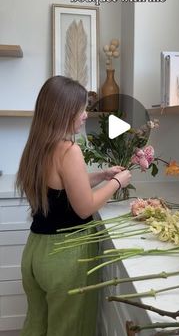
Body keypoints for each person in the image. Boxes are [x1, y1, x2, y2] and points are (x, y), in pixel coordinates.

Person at [16, 75, 131, 336]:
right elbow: (84, 207)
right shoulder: (69, 150)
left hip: (35, 252)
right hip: (65, 256)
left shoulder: (38, 146)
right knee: (70, 329)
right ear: (65, 111)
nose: (85, 116)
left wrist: (99, 176)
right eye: (82, 109)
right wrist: (116, 182)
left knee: (36, 324)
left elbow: (60, 186)